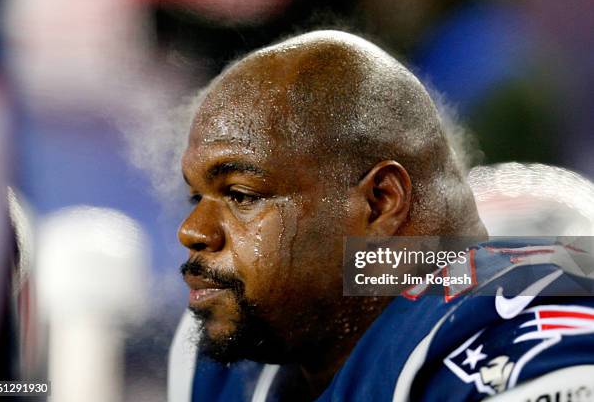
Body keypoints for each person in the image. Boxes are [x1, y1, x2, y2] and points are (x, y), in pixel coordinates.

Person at [169, 30, 594, 401]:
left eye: (241, 196)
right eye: (196, 199)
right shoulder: (222, 358)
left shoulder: (524, 353)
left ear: (380, 202)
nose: (192, 231)